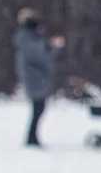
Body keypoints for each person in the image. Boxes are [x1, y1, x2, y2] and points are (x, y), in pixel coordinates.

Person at [14, 8, 65, 148]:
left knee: (39, 108)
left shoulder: (31, 37)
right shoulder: (26, 37)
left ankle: (33, 137)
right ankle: (31, 138)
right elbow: (40, 55)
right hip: (34, 78)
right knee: (38, 108)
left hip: (38, 78)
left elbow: (44, 55)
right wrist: (51, 45)